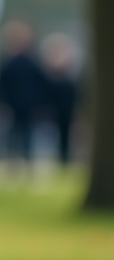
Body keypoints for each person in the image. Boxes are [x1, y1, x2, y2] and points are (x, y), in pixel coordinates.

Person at [0, 20, 45, 168]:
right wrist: (2, 104)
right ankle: (12, 160)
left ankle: (26, 159)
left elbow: (40, 86)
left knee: (26, 133)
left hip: (28, 104)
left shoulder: (32, 63)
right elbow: (2, 85)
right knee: (13, 133)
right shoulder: (9, 63)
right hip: (14, 104)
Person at [40, 32, 81, 165]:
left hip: (66, 111)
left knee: (65, 136)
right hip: (54, 110)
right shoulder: (49, 76)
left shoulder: (69, 77)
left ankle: (64, 159)